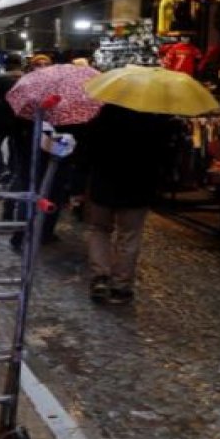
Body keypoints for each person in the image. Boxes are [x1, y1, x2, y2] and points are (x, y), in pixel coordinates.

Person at [74, 104, 173, 304]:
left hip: (103, 187)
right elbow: (164, 159)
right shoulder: (155, 124)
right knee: (129, 236)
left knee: (99, 230)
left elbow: (84, 156)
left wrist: (79, 185)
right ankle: (121, 286)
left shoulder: (99, 122)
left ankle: (100, 277)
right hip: (138, 189)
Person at [0, 53, 26, 185]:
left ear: (5, 65)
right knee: (14, 146)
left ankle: (2, 169)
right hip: (20, 118)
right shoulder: (27, 79)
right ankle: (12, 171)